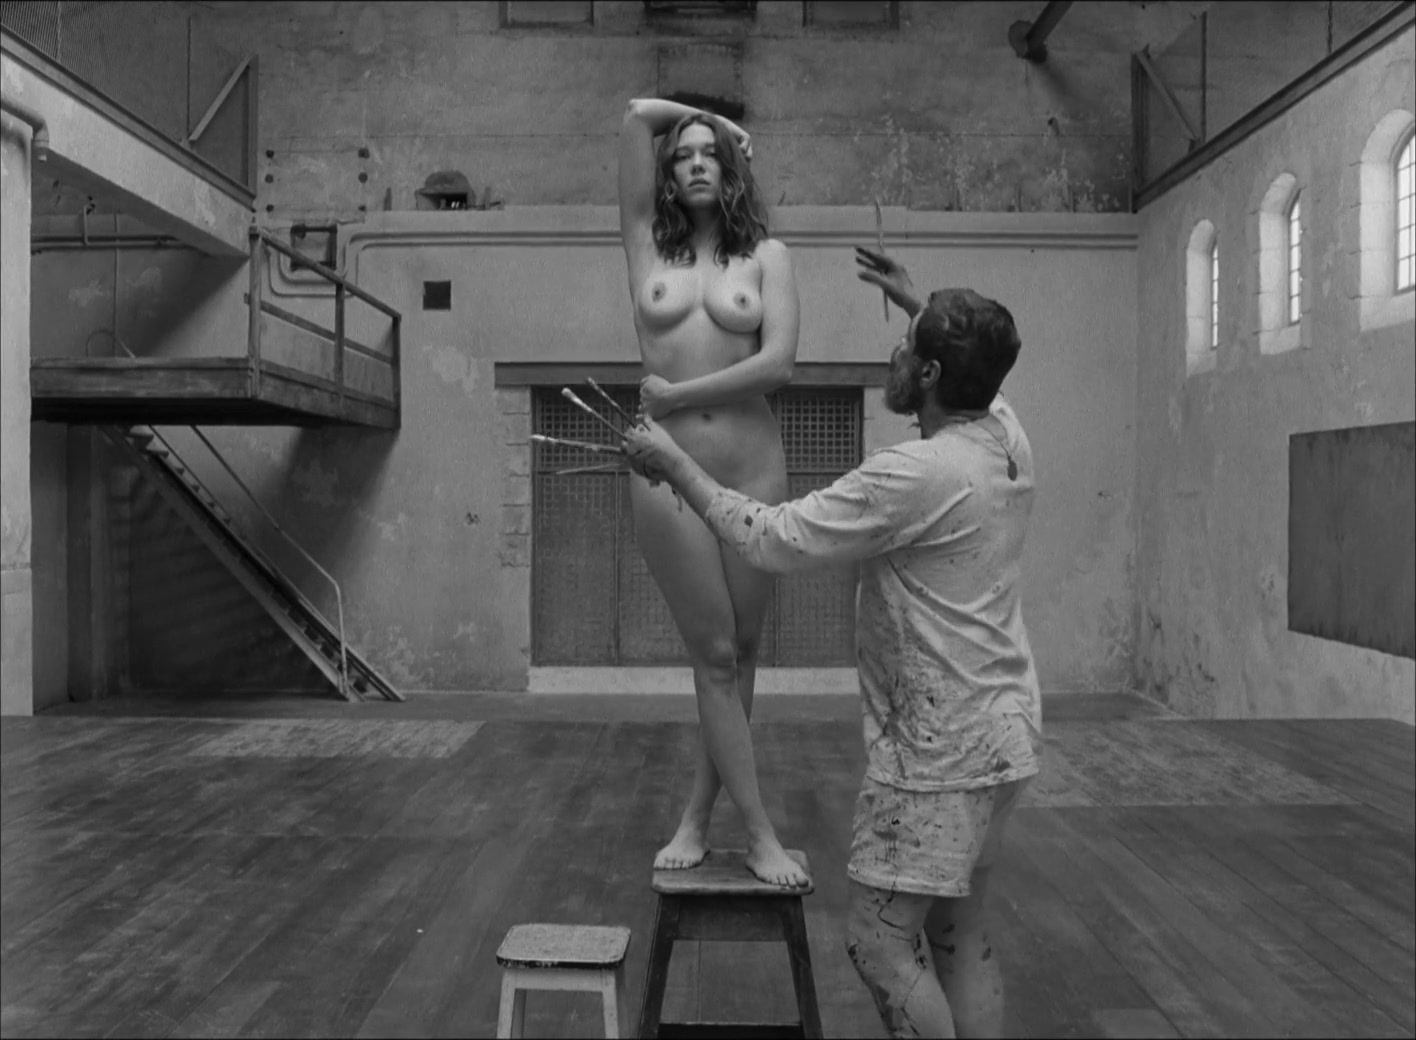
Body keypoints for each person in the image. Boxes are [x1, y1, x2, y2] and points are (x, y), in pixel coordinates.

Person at [620, 248, 1043, 1039]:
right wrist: (918, 304)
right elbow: (983, 377)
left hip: (938, 753)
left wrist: (675, 464)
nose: (895, 352)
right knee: (958, 931)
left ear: (929, 375)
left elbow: (771, 537)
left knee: (880, 942)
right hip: (1007, 734)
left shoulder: (912, 475)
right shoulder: (1007, 434)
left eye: (907, 347)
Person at [617, 97, 810, 888]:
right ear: (667, 174)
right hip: (667, 468)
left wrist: (676, 393)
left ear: (731, 173)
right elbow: (637, 116)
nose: (696, 162)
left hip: (752, 463)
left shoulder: (768, 256)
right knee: (716, 652)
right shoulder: (644, 245)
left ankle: (698, 817)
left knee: (742, 651)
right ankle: (760, 834)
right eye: (685, 154)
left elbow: (779, 365)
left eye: (711, 153)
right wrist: (718, 121)